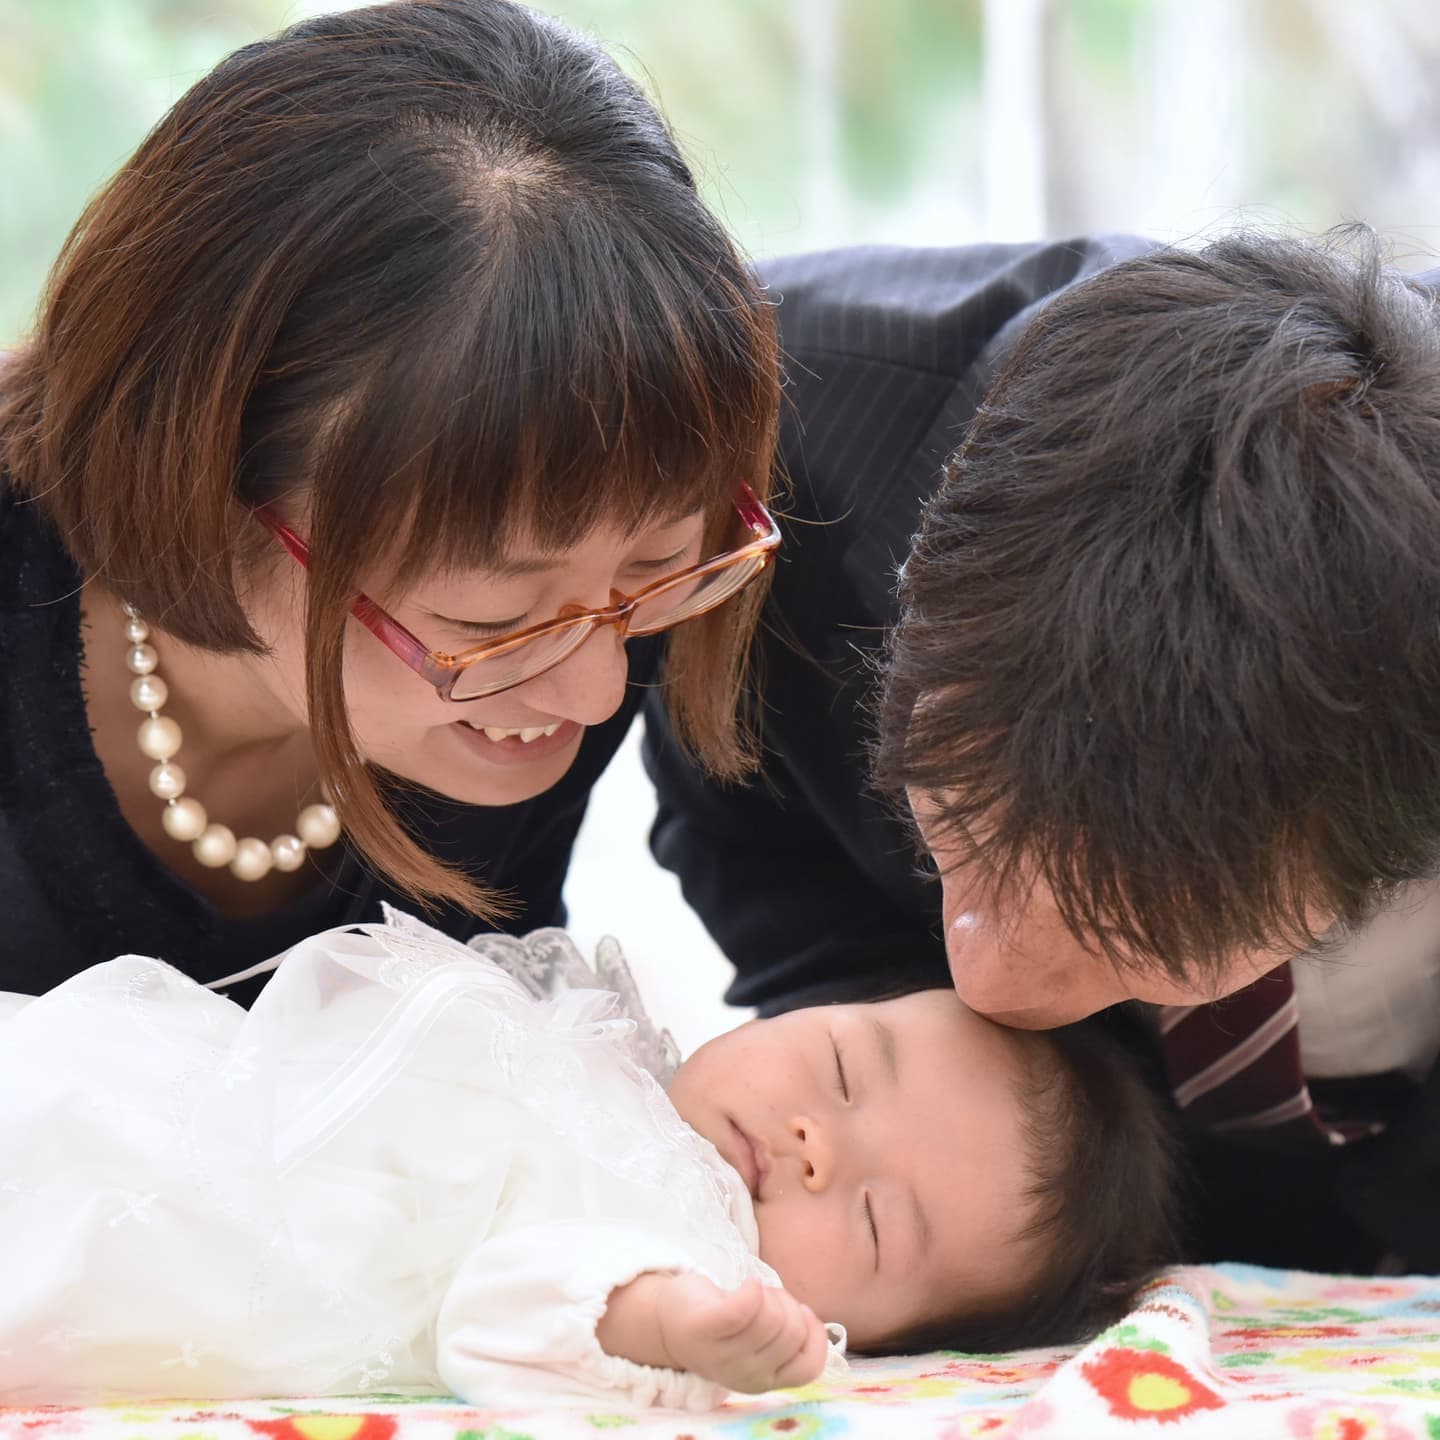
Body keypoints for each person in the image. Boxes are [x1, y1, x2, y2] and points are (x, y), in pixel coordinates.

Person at [644, 231, 1440, 1275]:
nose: (988, 979)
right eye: (959, 825)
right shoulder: (764, 429)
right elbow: (749, 817)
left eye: (1135, 934)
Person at [0, 0, 781, 998]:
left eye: (658, 570)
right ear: (207, 488)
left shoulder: (580, 594)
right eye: (490, 621)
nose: (594, 692)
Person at [0, 911, 1175, 1407]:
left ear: (860, 1335)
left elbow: (498, 1309)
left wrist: (655, 1322)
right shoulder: (619, 1056)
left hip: (206, 1245)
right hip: (175, 1084)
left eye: (874, 1223)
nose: (820, 1145)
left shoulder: (692, 1254)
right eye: (840, 1066)